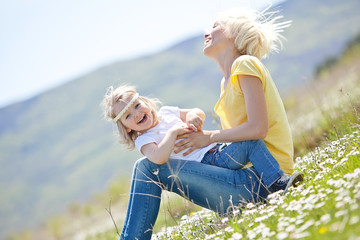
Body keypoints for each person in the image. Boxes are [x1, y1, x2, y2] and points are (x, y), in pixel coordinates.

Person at [103, 7, 303, 239]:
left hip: (259, 179)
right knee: (145, 165)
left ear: (234, 34)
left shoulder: (244, 64)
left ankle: (279, 183)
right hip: (237, 176)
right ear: (126, 127)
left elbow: (258, 130)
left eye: (216, 26)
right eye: (127, 115)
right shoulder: (225, 82)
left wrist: (206, 134)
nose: (207, 31)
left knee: (145, 168)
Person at [102, 85, 289, 185]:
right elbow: (158, 157)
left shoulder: (168, 112)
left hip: (218, 151)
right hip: (206, 164)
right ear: (126, 127)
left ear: (145, 102)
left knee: (251, 142)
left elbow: (198, 112)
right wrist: (174, 132)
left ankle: (277, 179)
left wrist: (192, 116)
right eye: (128, 115)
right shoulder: (144, 139)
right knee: (250, 144)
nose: (136, 113)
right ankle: (276, 182)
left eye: (136, 105)